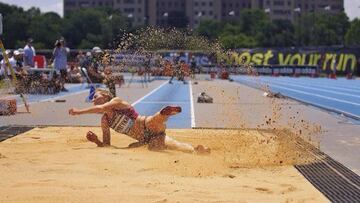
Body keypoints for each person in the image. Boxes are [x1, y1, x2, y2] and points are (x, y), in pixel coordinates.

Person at [68, 88, 210, 154]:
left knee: (153, 120)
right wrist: (97, 141)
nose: (93, 100)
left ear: (105, 95)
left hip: (146, 124)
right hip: (148, 140)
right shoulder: (105, 121)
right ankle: (199, 150)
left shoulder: (116, 102)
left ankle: (164, 113)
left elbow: (102, 107)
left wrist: (78, 112)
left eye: (95, 97)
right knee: (175, 147)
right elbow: (107, 146)